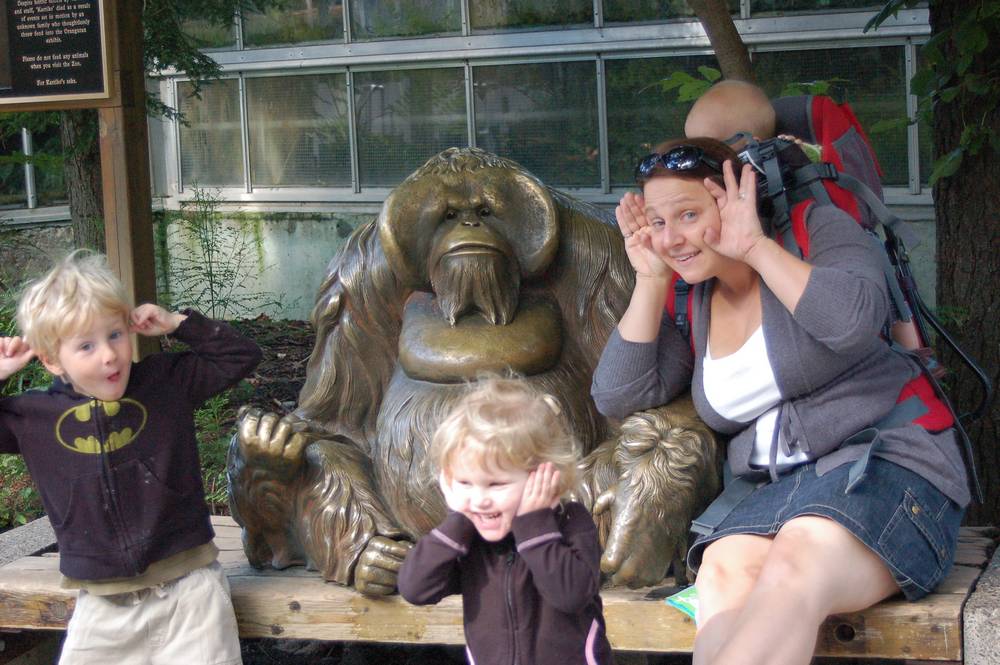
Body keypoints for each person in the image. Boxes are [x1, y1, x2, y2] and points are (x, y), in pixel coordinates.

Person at [591, 137, 969, 665]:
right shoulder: (692, 297)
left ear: (738, 199)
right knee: (723, 571)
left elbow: (854, 322)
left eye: (688, 214)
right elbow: (617, 393)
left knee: (796, 562)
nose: (671, 238)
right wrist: (650, 280)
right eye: (657, 222)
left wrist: (755, 248)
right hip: (777, 495)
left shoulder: (817, 230)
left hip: (888, 469)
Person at [0, 250, 262, 665]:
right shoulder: (33, 418)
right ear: (50, 359)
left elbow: (241, 356)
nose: (108, 355)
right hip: (103, 608)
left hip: (191, 593)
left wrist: (178, 324)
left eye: (115, 334)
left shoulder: (164, 384)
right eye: (86, 345)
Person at [397, 376, 613, 665]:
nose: (479, 499)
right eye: (464, 482)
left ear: (544, 475)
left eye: (496, 484)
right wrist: (459, 519)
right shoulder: (469, 537)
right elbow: (415, 588)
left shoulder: (572, 523)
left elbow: (570, 595)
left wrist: (534, 527)